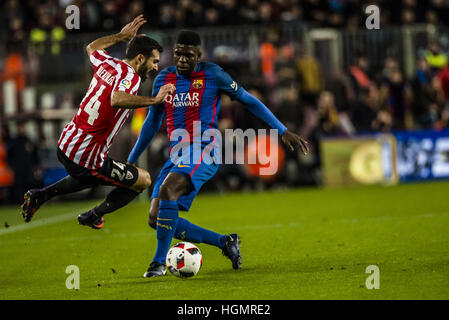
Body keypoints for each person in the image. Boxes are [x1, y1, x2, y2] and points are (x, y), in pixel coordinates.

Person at [127, 30, 310, 277]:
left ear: (199, 56)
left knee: (167, 190)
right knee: (156, 217)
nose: (182, 59)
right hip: (177, 154)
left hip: (205, 150)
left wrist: (281, 129)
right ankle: (225, 242)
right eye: (178, 54)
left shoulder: (213, 75)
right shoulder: (163, 79)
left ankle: (158, 263)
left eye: (188, 55)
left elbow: (249, 100)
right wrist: (130, 160)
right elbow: (151, 123)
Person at [21, 15, 175, 229]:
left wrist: (121, 36)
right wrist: (154, 100)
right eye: (154, 61)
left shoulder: (108, 63)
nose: (156, 67)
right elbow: (117, 99)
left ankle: (40, 196)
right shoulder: (130, 77)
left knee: (88, 177)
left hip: (66, 144)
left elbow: (91, 47)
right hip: (86, 155)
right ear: (140, 59)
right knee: (143, 181)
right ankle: (94, 214)